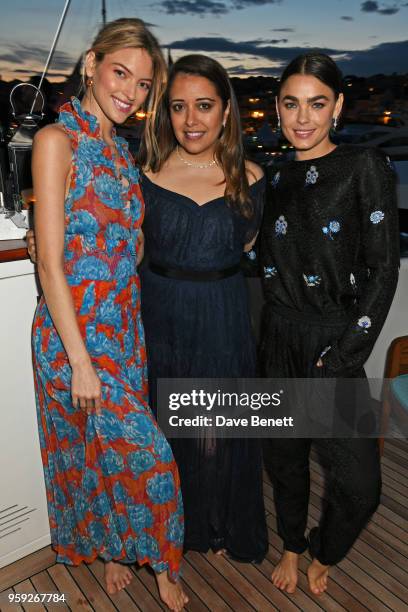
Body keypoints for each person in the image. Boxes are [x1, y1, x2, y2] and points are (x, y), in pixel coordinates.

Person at [31, 18, 188, 611]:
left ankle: (121, 552)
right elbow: (50, 265)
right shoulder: (56, 141)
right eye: (121, 73)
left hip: (122, 330)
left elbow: (125, 240)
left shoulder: (122, 151)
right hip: (74, 338)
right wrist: (79, 362)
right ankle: (164, 565)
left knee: (108, 456)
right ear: (91, 63)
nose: (131, 91)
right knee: (146, 459)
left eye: (145, 84)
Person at [260, 52, 400, 596]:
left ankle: (324, 550)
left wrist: (344, 354)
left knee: (361, 484)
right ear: (277, 107)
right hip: (278, 336)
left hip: (335, 340)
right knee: (286, 460)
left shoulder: (365, 167)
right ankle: (293, 544)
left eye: (316, 104)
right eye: (291, 104)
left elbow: (385, 271)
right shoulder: (271, 176)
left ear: (337, 106)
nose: (302, 118)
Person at [138, 54, 268, 561]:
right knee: (166, 426)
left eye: (204, 106)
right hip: (160, 313)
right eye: (178, 107)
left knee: (217, 428)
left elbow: (251, 243)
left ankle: (218, 524)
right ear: (164, 112)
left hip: (222, 313)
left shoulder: (253, 179)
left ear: (225, 111)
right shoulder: (143, 173)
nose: (191, 120)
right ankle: (177, 528)